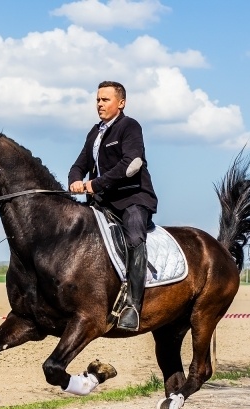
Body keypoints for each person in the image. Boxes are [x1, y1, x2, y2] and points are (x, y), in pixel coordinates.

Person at [68, 81, 158, 331]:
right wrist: (75, 180)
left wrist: (94, 184)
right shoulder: (94, 133)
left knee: (134, 236)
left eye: (105, 100)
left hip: (133, 199)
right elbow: (79, 164)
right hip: (102, 202)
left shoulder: (130, 127)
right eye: (97, 99)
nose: (99, 104)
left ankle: (132, 306)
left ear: (121, 103)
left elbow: (133, 163)